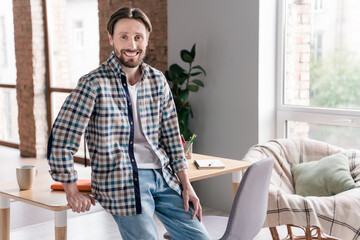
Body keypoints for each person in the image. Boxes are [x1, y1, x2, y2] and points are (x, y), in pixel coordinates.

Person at [47, 7, 210, 240]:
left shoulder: (157, 80)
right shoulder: (93, 84)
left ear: (146, 40)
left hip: (163, 176)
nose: (131, 45)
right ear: (111, 39)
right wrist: (71, 191)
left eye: (138, 37)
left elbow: (172, 137)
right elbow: (62, 139)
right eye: (123, 36)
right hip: (121, 181)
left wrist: (186, 184)